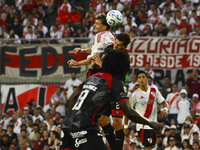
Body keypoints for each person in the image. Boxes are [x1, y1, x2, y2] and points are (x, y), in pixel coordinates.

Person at [60, 51, 161, 150]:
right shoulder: (114, 82)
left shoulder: (93, 77)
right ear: (122, 68)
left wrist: (72, 120)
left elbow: (72, 98)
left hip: (66, 125)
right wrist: (150, 123)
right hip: (86, 127)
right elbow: (129, 112)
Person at [124, 70, 168, 150]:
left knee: (153, 147)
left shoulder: (154, 90)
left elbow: (164, 103)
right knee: (150, 148)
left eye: (143, 77)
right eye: (140, 78)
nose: (142, 79)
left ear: (147, 78)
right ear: (137, 80)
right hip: (143, 126)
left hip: (154, 125)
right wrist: (126, 126)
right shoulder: (135, 95)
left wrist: (165, 109)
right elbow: (128, 111)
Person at [67, 13, 114, 78]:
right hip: (105, 70)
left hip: (96, 71)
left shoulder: (100, 35)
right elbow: (96, 49)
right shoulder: (109, 35)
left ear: (104, 27)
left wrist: (77, 63)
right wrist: (82, 51)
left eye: (97, 23)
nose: (94, 25)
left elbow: (95, 57)